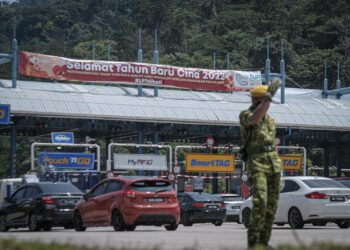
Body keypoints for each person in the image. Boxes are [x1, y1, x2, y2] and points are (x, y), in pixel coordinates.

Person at [239, 80, 283, 249]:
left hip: (273, 164)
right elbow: (256, 118)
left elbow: (273, 143)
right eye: (266, 101)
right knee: (261, 202)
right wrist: (268, 96)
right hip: (257, 163)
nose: (269, 104)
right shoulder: (245, 115)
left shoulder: (271, 120)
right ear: (257, 101)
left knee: (272, 205)